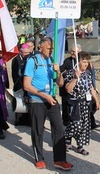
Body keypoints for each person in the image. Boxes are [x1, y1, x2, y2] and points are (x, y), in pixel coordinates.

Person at [23, 37, 73, 171]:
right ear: (40, 47)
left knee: (59, 129)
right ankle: (39, 158)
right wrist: (43, 95)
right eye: (48, 48)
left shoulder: (52, 61)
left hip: (51, 100)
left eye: (52, 48)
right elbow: (26, 86)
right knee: (38, 130)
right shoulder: (32, 61)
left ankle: (60, 159)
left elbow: (60, 83)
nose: (51, 51)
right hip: (37, 100)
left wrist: (58, 71)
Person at [63, 51, 99, 155]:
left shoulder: (87, 73)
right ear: (78, 62)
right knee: (76, 124)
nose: (86, 64)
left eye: (87, 62)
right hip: (74, 103)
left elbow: (91, 87)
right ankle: (66, 136)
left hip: (85, 103)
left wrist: (96, 100)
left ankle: (80, 146)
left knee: (84, 126)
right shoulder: (70, 73)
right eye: (83, 61)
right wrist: (75, 78)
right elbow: (68, 89)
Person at [60, 44, 99, 129]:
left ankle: (90, 123)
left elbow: (90, 78)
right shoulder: (68, 61)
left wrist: (94, 92)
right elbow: (61, 71)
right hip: (71, 91)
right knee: (70, 113)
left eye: (74, 52)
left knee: (88, 108)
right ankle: (67, 125)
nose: (72, 53)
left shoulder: (87, 64)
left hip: (84, 91)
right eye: (72, 51)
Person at [11, 43, 31, 126]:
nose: (26, 55)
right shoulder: (16, 60)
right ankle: (19, 121)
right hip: (19, 84)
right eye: (25, 53)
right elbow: (15, 74)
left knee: (28, 102)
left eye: (28, 53)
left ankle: (28, 121)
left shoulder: (30, 59)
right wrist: (20, 84)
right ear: (20, 52)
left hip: (28, 84)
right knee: (19, 102)